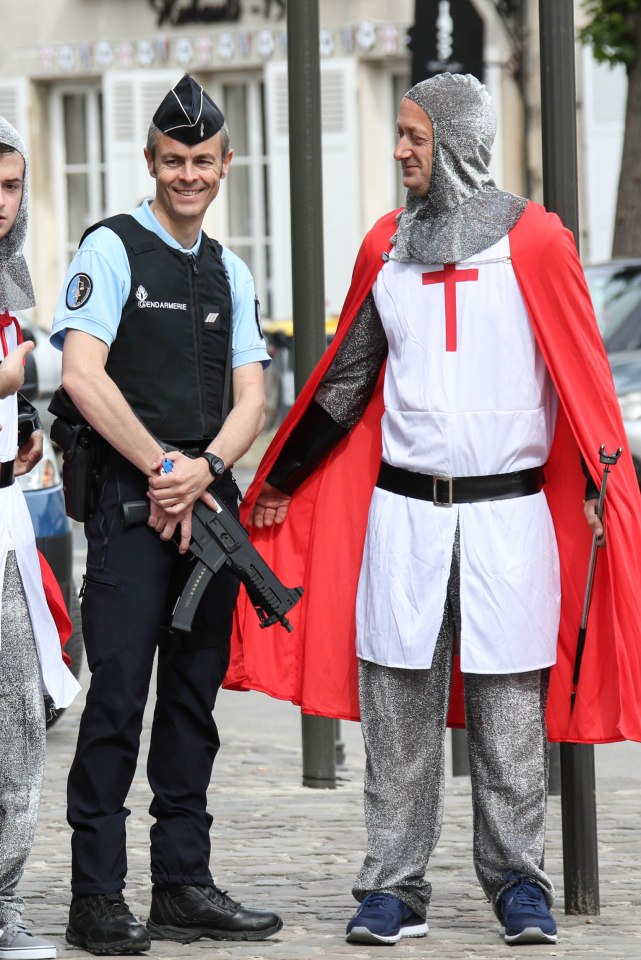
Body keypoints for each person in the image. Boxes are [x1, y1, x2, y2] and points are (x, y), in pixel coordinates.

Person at [226, 74, 641, 947]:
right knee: (398, 713)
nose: (400, 150)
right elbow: (345, 382)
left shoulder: (534, 243)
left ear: (454, 141)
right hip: (404, 517)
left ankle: (516, 883)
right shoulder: (387, 245)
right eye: (401, 134)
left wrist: (605, 482)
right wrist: (280, 482)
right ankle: (392, 888)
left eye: (414, 136)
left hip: (508, 516)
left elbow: (580, 377)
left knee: (507, 716)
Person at [49, 75, 282, 955]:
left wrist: (208, 469)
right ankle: (96, 898)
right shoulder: (109, 249)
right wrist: (164, 470)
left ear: (225, 167)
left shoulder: (231, 268)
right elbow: (82, 372)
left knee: (191, 705)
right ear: (151, 162)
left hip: (203, 514)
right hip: (129, 507)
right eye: (174, 160)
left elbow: (253, 393)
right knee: (116, 702)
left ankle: (182, 883)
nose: (189, 175)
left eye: (203, 162)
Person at [1, 117, 81, 960]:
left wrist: (25, 423)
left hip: (7, 520)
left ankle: (2, 900)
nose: (0, 203)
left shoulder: (10, 278)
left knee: (20, 715)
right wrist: (38, 368)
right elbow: (28, 363)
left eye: (12, 185)